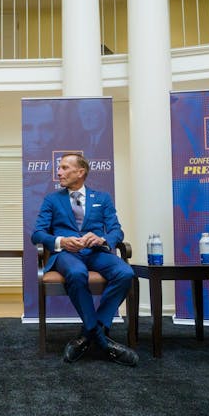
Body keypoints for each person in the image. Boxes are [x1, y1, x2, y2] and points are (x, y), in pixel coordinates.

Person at [31, 153, 138, 366]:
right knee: (77, 273)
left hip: (97, 252)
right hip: (67, 254)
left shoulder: (102, 198)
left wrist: (102, 239)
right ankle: (102, 340)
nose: (58, 172)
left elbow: (116, 230)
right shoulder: (52, 200)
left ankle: (88, 333)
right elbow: (38, 233)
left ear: (80, 172)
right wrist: (61, 241)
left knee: (126, 273)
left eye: (63, 168)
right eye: (59, 168)